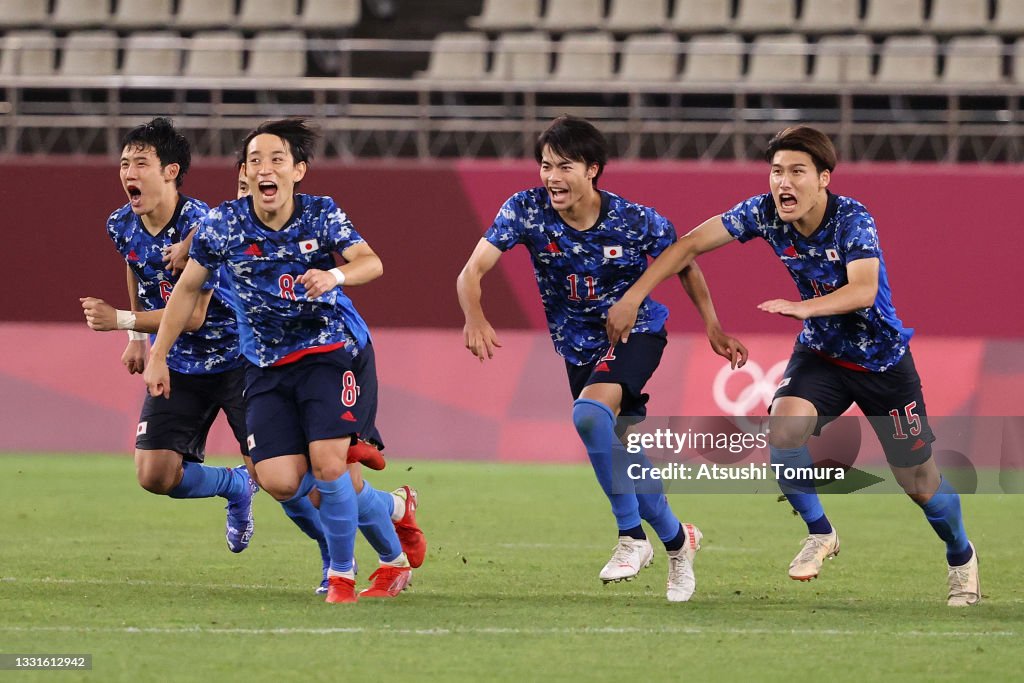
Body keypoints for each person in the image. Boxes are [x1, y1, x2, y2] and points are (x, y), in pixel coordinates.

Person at [606, 125, 980, 606]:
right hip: (822, 355)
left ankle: (961, 556)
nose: (784, 182)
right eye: (777, 171)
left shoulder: (853, 219)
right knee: (783, 428)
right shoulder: (763, 213)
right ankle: (820, 532)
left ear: (823, 178)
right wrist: (636, 296)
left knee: (919, 482)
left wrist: (806, 307)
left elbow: (864, 290)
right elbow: (688, 246)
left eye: (797, 172)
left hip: (882, 362)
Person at [457, 115, 747, 603]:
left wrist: (712, 326)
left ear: (592, 169)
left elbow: (684, 264)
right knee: (621, 449)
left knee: (589, 416)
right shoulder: (525, 211)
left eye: (564, 166)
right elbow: (472, 270)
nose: (551, 177)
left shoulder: (636, 220)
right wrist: (474, 315)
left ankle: (631, 538)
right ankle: (679, 543)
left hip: (638, 334)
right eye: (545, 165)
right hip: (578, 349)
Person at [144, 118, 424, 604]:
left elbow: (371, 262)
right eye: (254, 162)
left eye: (276, 159)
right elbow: (187, 290)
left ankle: (346, 572)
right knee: (280, 480)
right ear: (244, 176)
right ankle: (395, 509)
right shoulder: (224, 225)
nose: (263, 169)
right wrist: (156, 356)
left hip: (330, 354)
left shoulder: (321, 215)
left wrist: (333, 276)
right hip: (265, 368)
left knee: (329, 468)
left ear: (299, 170)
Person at [80, 117, 258, 555]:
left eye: (140, 163)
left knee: (279, 477)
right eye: (124, 164)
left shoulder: (204, 224)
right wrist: (136, 339)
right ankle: (234, 485)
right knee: (154, 474)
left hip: (237, 360)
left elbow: (194, 315)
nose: (128, 174)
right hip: (179, 363)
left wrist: (121, 321)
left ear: (171, 171)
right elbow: (135, 264)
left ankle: (342, 561)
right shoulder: (120, 223)